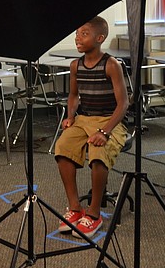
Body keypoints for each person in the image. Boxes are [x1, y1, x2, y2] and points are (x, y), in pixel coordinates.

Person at [54, 16, 129, 238]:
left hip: (109, 121)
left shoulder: (111, 64)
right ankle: (75, 209)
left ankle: (94, 214)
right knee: (63, 147)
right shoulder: (75, 65)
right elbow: (73, 95)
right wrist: (70, 117)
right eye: (77, 33)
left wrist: (105, 132)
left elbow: (123, 103)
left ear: (99, 38)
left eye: (84, 34)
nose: (78, 38)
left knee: (97, 152)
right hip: (84, 119)